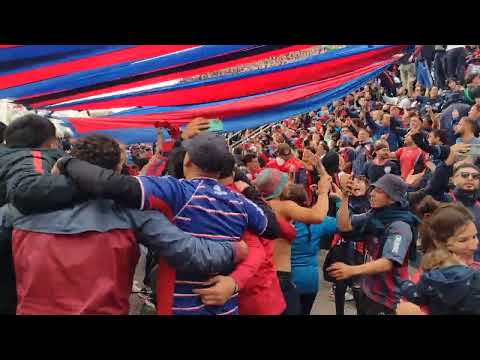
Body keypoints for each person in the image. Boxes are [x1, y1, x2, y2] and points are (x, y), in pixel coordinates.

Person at [0, 135, 246, 315]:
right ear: (117, 169)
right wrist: (235, 249)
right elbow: (193, 253)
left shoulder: (18, 210)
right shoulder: (133, 213)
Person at [328, 174, 419, 315]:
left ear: (393, 198)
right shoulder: (373, 215)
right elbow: (344, 226)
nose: (372, 193)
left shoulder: (400, 226)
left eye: (379, 191)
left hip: (388, 300)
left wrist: (351, 270)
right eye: (373, 189)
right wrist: (345, 197)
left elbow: (388, 262)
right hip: (369, 292)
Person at [254, 164, 331, 314]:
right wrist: (322, 193)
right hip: (280, 277)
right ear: (279, 189)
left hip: (259, 275)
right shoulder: (284, 206)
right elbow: (318, 216)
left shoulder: (256, 206)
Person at [399, 203, 480, 315]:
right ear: (439, 243)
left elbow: (415, 295)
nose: (474, 245)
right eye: (462, 240)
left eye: (474, 236)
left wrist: (404, 284)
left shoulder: (428, 278)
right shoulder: (476, 278)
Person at [288, 184, 337, 315]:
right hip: (309, 280)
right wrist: (338, 200)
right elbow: (343, 223)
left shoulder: (278, 221)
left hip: (285, 280)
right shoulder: (317, 221)